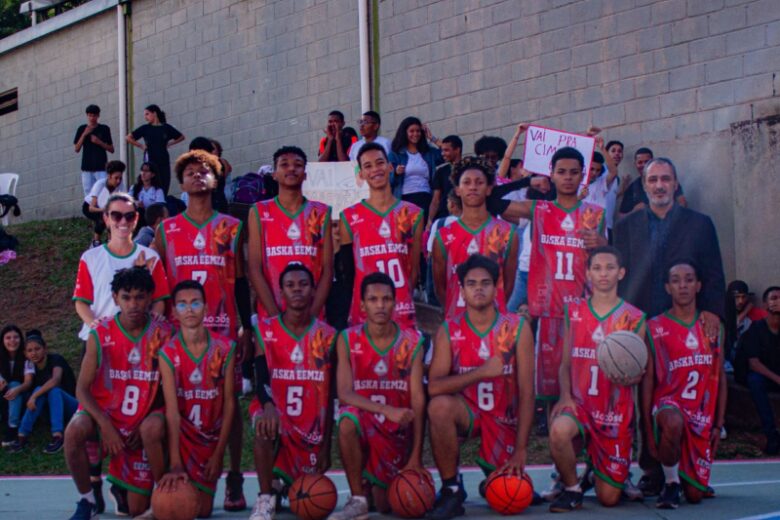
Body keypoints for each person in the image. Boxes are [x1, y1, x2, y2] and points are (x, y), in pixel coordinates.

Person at [613, 157, 725, 497]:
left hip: (687, 319)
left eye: (666, 179)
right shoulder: (625, 227)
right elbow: (619, 276)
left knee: (693, 398)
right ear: (644, 187)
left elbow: (714, 271)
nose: (659, 185)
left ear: (676, 185)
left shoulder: (700, 223)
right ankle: (651, 467)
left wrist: (714, 313)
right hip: (643, 321)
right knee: (644, 397)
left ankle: (692, 465)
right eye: (653, 180)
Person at [153, 149, 252, 512]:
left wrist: (247, 327)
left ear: (216, 179)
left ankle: (236, 474)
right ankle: (184, 470)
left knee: (230, 404)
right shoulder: (166, 230)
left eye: (204, 172)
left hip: (223, 330)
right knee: (179, 401)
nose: (197, 177)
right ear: (180, 184)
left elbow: (241, 283)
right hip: (179, 334)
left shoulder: (231, 226)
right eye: (190, 173)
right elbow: (155, 281)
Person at [495, 142, 607, 400]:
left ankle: (579, 406)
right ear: (552, 174)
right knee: (547, 363)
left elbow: (609, 260)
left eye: (574, 172)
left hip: (583, 303)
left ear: (583, 176)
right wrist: (526, 183)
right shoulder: (539, 210)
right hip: (548, 302)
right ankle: (548, 412)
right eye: (562, 172)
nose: (568, 177)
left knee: (581, 360)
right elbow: (492, 201)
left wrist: (604, 244)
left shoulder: (594, 214)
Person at [427, 255, 535, 520]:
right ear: (461, 291)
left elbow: (528, 393)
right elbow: (434, 387)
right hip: (468, 413)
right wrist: (481, 373)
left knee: (509, 497)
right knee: (439, 407)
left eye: (485, 283)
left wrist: (522, 450)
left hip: (504, 418)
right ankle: (452, 489)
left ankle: (492, 480)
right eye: (471, 283)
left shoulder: (517, 328)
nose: (478, 288)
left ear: (496, 288)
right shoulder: (449, 330)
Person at [64, 267, 173, 520]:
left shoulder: (164, 334)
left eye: (139, 297)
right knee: (74, 431)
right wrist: (104, 424)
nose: (133, 304)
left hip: (140, 420)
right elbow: (81, 389)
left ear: (149, 298)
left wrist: (146, 420)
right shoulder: (100, 334)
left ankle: (132, 489)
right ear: (115, 298)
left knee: (137, 510)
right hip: (106, 416)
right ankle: (87, 500)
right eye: (126, 297)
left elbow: (167, 388)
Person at [547, 246, 646, 512]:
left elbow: (639, 373)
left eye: (610, 268)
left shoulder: (634, 318)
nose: (604, 274)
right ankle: (571, 489)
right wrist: (566, 397)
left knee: (609, 499)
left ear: (621, 273)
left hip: (614, 413)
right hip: (580, 405)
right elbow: (565, 364)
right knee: (558, 430)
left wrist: (631, 376)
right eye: (598, 268)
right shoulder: (575, 311)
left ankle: (598, 473)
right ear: (588, 273)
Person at [328, 272, 426, 519]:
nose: (380, 305)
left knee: (386, 505)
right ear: (362, 305)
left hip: (396, 430)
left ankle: (373, 487)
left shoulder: (412, 342)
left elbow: (417, 400)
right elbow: (345, 393)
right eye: (373, 299)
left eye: (386, 299)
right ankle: (358, 498)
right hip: (367, 422)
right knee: (347, 420)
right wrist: (385, 410)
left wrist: (416, 456)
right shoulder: (347, 339)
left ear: (395, 303)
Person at [249, 265, 337, 520]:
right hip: (276, 413)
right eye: (290, 285)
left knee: (308, 498)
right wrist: (267, 405)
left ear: (312, 291)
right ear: (281, 292)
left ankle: (280, 486)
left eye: (303, 284)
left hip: (311, 426)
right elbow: (261, 377)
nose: (297, 289)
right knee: (262, 424)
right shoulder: (265, 329)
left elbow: (330, 396)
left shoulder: (328, 336)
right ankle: (265, 497)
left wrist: (326, 447)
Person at [643, 261, 727, 509]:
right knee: (672, 421)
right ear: (668, 287)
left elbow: (719, 376)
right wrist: (648, 429)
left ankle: (689, 479)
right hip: (668, 405)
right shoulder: (654, 327)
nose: (683, 285)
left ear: (698, 286)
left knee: (695, 497)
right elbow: (648, 381)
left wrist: (718, 424)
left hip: (700, 415)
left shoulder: (712, 327)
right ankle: (670, 483)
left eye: (689, 279)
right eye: (676, 280)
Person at [157, 280, 236, 518]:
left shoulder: (224, 348)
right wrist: (175, 461)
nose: (189, 309)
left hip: (210, 438)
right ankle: (160, 488)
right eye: (182, 304)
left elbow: (230, 403)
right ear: (173, 312)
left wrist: (219, 454)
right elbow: (171, 411)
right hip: (183, 437)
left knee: (202, 511)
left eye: (195, 303)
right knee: (177, 507)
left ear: (206, 308)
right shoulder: (168, 352)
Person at [339, 142, 423, 327]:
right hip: (364, 313)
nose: (375, 169)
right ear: (361, 174)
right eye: (367, 166)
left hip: (401, 310)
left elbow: (414, 269)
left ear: (390, 166)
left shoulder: (413, 213)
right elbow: (348, 274)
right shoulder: (349, 217)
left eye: (379, 163)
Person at [247, 146, 333, 319]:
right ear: (274, 174)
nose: (291, 168)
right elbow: (254, 268)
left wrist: (312, 315)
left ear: (305, 174)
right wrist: (275, 317)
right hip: (271, 315)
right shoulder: (259, 211)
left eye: (298, 165)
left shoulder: (322, 212)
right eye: (284, 164)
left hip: (312, 316)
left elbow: (328, 270)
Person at [433, 157, 518, 318]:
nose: (473, 187)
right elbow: (440, 288)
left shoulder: (507, 233)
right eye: (467, 182)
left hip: (494, 324)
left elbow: (508, 285)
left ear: (489, 188)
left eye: (479, 182)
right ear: (457, 189)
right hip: (457, 324)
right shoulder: (443, 236)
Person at [7, 330, 77, 454]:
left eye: (37, 349)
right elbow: (28, 386)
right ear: (25, 353)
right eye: (30, 350)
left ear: (45, 349)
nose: (34, 353)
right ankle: (22, 437)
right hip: (49, 412)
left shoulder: (55, 359)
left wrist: (34, 396)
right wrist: (35, 395)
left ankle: (58, 436)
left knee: (53, 390)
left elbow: (55, 380)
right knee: (39, 390)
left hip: (72, 408)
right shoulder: (30, 368)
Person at [739, 286, 780, 455]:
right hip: (765, 376)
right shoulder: (756, 329)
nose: (777, 302)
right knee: (755, 380)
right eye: (774, 298)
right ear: (765, 304)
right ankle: (771, 436)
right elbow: (754, 363)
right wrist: (778, 379)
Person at [388, 116, 443, 222]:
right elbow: (388, 180)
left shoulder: (428, 152)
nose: (415, 134)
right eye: (411, 131)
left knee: (424, 233)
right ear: (405, 133)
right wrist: (395, 172)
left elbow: (446, 154)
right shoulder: (395, 154)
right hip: (405, 198)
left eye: (418, 131)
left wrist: (432, 138)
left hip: (425, 197)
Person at [126, 104, 185, 195]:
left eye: (147, 114)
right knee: (151, 180)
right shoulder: (145, 128)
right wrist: (140, 145)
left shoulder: (166, 127)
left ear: (155, 113)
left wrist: (170, 143)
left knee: (164, 180)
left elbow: (181, 137)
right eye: (145, 115)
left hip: (163, 159)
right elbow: (129, 137)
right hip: (150, 159)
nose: (146, 117)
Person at [618, 147, 686, 218]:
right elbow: (621, 217)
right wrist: (635, 211)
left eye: (647, 161)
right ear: (635, 164)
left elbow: (682, 202)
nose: (644, 165)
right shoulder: (632, 188)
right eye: (640, 162)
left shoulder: (667, 181)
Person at [425, 192, 462, 306]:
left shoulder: (440, 223)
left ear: (452, 205)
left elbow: (430, 250)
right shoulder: (470, 224)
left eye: (447, 202)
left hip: (440, 271)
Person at [81, 161, 126, 247]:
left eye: (120, 178)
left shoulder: (121, 185)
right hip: (90, 207)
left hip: (105, 208)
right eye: (116, 178)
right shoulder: (100, 184)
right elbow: (91, 208)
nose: (118, 181)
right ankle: (96, 241)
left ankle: (110, 241)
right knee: (103, 219)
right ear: (109, 176)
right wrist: (105, 210)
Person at [725, 280, 767, 370]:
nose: (741, 301)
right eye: (737, 297)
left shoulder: (756, 313)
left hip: (749, 357)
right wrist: (745, 312)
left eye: (743, 297)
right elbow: (730, 327)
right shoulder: (723, 312)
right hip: (727, 356)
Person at [74, 104, 114, 197]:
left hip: (101, 167)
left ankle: (103, 210)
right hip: (86, 167)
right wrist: (84, 134)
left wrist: (99, 142)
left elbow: (111, 149)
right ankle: (91, 210)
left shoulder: (104, 129)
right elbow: (77, 148)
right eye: (90, 115)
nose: (92, 118)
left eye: (94, 115)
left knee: (103, 191)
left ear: (98, 116)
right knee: (88, 193)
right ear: (87, 115)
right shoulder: (81, 129)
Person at [427, 135, 463, 224]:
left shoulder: (470, 169)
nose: (442, 153)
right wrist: (429, 221)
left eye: (446, 150)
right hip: (444, 217)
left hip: (465, 216)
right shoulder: (440, 171)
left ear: (457, 150)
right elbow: (436, 199)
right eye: (442, 150)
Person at [0, 325, 26, 446]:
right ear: (2, 340)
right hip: (4, 395)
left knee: (14, 384)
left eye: (16, 337)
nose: (12, 341)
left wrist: (17, 388)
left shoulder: (27, 355)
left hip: (23, 395)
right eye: (8, 337)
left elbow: (30, 381)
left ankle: (13, 428)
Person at [130, 162, 165, 229]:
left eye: (146, 171)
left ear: (153, 174)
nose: (143, 173)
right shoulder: (134, 188)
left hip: (150, 220)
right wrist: (136, 203)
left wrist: (146, 207)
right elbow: (126, 200)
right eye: (142, 170)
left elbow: (160, 208)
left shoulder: (157, 190)